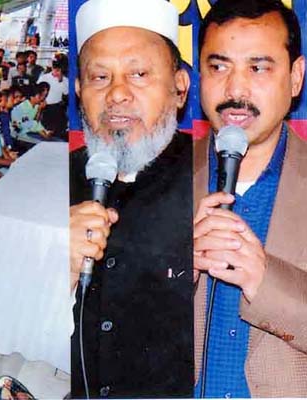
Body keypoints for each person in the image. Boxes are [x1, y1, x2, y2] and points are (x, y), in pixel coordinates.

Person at [69, 0, 193, 397]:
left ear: (179, 88)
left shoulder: (212, 181)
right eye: (100, 77)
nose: (117, 94)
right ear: (79, 91)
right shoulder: (65, 176)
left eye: (139, 74)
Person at [193, 0, 307, 397]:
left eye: (258, 68)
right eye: (219, 67)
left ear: (295, 77)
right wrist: (171, 269)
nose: (235, 90)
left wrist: (266, 282)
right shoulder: (156, 179)